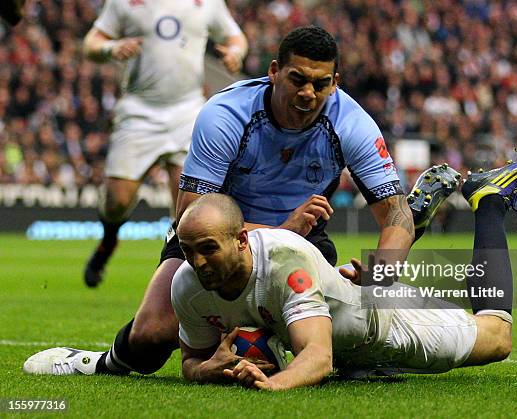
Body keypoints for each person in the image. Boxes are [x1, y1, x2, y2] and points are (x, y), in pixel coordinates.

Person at [22, 26, 459, 377]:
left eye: (321, 84)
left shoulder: (352, 123)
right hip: (215, 239)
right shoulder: (226, 115)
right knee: (153, 335)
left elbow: (396, 213)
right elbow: (189, 214)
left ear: (335, 82)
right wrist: (280, 230)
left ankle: (332, 354)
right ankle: (93, 363)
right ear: (273, 71)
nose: (308, 93)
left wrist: (382, 274)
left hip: (300, 247)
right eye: (298, 79)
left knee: (340, 343)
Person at [173, 154, 517, 390]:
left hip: (381, 325)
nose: (199, 262)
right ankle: (410, 223)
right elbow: (191, 360)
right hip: (338, 308)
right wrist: (208, 369)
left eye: (209, 249)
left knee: (497, 337)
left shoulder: (286, 262)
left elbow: (318, 356)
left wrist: (273, 384)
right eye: (189, 252)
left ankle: (490, 199)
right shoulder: (187, 284)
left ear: (241, 239)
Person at [82, 0, 248, 287]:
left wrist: (235, 53)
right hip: (138, 111)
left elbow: (235, 37)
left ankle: (173, 281)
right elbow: (91, 43)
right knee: (116, 201)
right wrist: (111, 48)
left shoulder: (206, 3)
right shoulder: (124, 2)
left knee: (187, 209)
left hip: (187, 113)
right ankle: (108, 242)